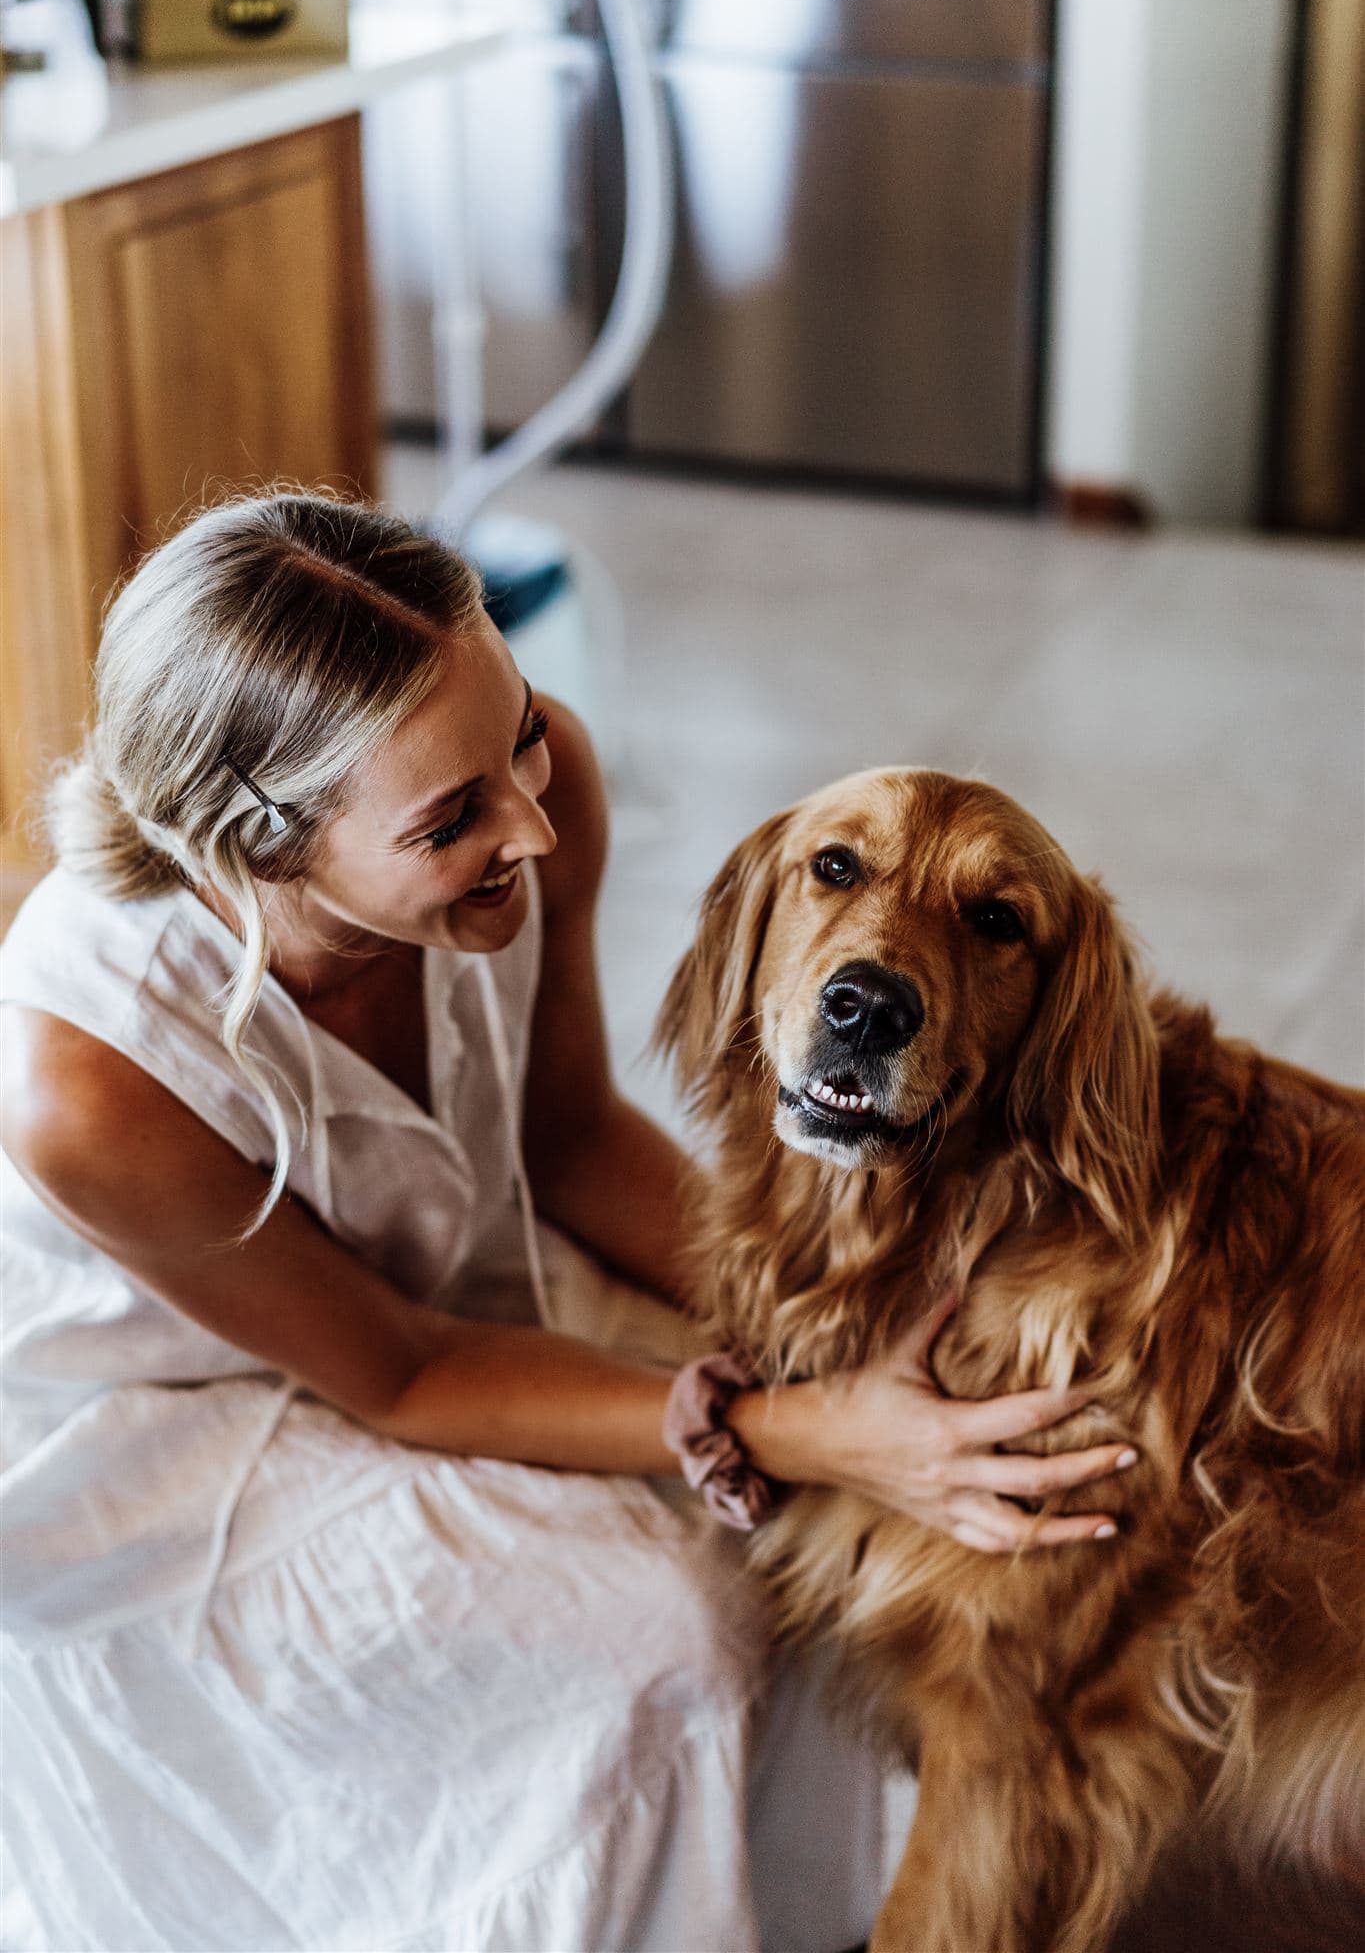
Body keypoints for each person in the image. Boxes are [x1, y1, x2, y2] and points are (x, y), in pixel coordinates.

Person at [0, 492, 1138, 1953]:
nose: (531, 821)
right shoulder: (83, 1088)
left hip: (434, 1285)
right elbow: (403, 1372)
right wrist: (801, 1421)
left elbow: (567, 1136)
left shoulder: (542, 795)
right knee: (663, 1624)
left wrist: (829, 1334)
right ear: (263, 851)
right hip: (160, 1421)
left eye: (519, 730)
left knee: (814, 1546)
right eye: (450, 817)